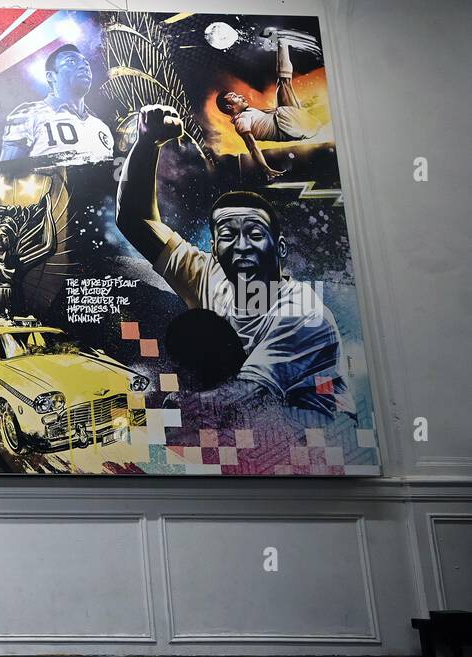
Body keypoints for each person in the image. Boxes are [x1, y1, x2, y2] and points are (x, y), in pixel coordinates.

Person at [115, 103, 352, 418]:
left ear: (279, 249)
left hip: (313, 444)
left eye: (254, 234)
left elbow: (236, 399)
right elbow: (134, 219)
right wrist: (146, 144)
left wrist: (152, 405)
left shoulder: (304, 315)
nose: (241, 246)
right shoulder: (212, 277)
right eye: (228, 235)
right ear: (214, 249)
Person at [216, 28, 322, 180]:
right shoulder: (241, 121)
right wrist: (265, 167)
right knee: (284, 82)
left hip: (299, 126)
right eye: (234, 97)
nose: (239, 96)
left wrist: (301, 106)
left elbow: (272, 113)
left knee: (284, 83)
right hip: (290, 125)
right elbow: (252, 147)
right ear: (229, 107)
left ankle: (281, 44)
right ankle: (282, 41)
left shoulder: (249, 114)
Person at [1, 43, 113, 165]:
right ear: (50, 76)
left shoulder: (102, 127)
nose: (84, 67)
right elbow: (6, 176)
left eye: (86, 64)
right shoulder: (29, 114)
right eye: (71, 61)